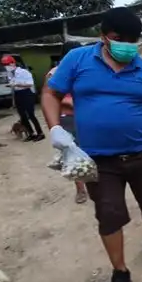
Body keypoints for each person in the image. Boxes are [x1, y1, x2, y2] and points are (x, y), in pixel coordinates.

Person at [41, 7, 142, 282]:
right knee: (108, 214)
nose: (126, 44)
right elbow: (50, 93)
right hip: (99, 160)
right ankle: (120, 271)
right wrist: (56, 129)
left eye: (131, 40)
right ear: (103, 36)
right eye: (118, 38)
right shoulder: (78, 60)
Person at [45, 47, 88, 204]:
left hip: (87, 117)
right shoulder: (55, 73)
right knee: (73, 153)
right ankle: (80, 189)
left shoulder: (85, 69)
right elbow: (51, 97)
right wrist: (72, 103)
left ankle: (96, 182)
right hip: (68, 118)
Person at [2, 55, 45, 142]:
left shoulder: (23, 72)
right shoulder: (10, 74)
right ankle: (31, 133)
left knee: (31, 114)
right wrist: (13, 101)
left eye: (7, 64)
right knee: (22, 116)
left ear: (13, 63)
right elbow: (13, 88)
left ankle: (40, 133)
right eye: (4, 65)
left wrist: (17, 84)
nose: (6, 66)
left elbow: (30, 84)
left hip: (26, 93)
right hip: (18, 94)